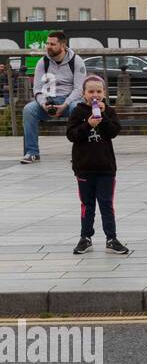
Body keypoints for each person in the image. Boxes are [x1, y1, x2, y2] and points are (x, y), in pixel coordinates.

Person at [65, 75, 129, 256]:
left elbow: (114, 131)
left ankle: (111, 238)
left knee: (106, 203)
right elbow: (71, 134)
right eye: (91, 91)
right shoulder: (78, 111)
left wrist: (104, 117)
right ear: (84, 94)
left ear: (104, 93)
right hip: (84, 167)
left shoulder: (108, 110)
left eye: (99, 91)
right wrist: (88, 124)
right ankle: (85, 237)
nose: (95, 95)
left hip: (106, 168)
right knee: (87, 204)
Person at [21, 30, 86, 164]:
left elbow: (79, 89)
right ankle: (32, 153)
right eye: (47, 43)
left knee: (78, 109)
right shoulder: (42, 62)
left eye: (52, 44)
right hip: (48, 101)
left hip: (69, 101)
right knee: (29, 110)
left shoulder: (76, 61)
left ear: (62, 46)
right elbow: (37, 89)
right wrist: (44, 104)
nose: (48, 47)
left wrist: (65, 104)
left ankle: (80, 153)